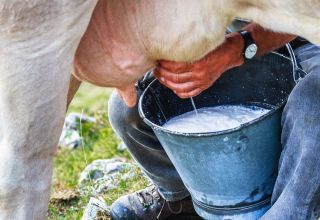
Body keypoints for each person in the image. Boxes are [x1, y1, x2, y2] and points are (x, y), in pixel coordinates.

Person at [108, 22, 320, 220]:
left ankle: (288, 211)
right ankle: (183, 197)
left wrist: (237, 48)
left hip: (309, 41)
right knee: (127, 108)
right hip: (230, 37)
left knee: (310, 104)